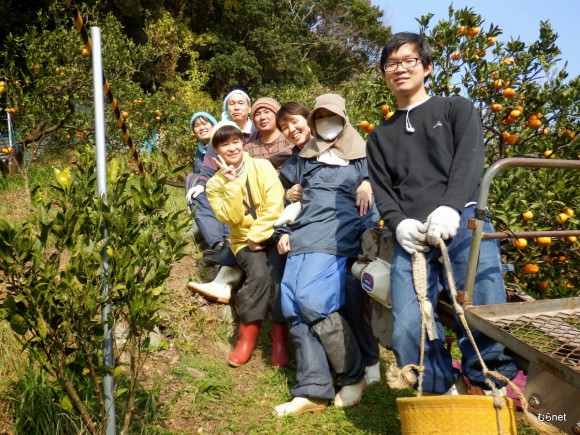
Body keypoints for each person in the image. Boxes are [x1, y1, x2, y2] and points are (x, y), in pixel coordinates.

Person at [366, 32, 517, 395]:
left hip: (462, 223)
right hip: (412, 237)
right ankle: (437, 388)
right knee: (407, 322)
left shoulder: (455, 109)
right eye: (391, 64)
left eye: (408, 61)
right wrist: (399, 224)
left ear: (427, 67)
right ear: (385, 74)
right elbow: (384, 192)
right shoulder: (380, 136)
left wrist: (450, 208)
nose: (399, 69)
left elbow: (469, 163)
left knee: (482, 305)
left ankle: (490, 382)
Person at [273, 96, 377, 417]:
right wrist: (283, 228)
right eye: (320, 117)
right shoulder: (305, 156)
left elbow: (379, 192)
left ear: (344, 118)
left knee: (312, 301)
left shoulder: (361, 155)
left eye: (331, 117)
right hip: (303, 233)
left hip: (334, 235)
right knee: (292, 306)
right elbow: (289, 195)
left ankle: (353, 374)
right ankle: (314, 390)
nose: (325, 123)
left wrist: (369, 184)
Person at [203, 121, 288, 368]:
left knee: (278, 277)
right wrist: (231, 185)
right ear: (216, 151)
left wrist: (258, 235)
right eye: (224, 144)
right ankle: (246, 340)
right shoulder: (214, 184)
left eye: (235, 141)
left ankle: (280, 342)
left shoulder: (262, 166)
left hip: (271, 235)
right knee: (260, 275)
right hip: (242, 242)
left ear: (243, 142)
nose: (231, 148)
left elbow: (276, 205)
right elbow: (231, 219)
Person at [187, 90, 256, 301]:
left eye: (240, 103)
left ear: (248, 108)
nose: (236, 107)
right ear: (226, 109)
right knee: (200, 195)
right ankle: (218, 244)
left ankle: (229, 244)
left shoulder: (257, 131)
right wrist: (199, 183)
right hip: (224, 183)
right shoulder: (219, 133)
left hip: (252, 187)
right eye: (231, 103)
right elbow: (208, 165)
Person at [244, 97, 294, 170]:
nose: (262, 117)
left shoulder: (290, 138)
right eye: (257, 114)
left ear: (277, 115)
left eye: (267, 112)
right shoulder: (249, 149)